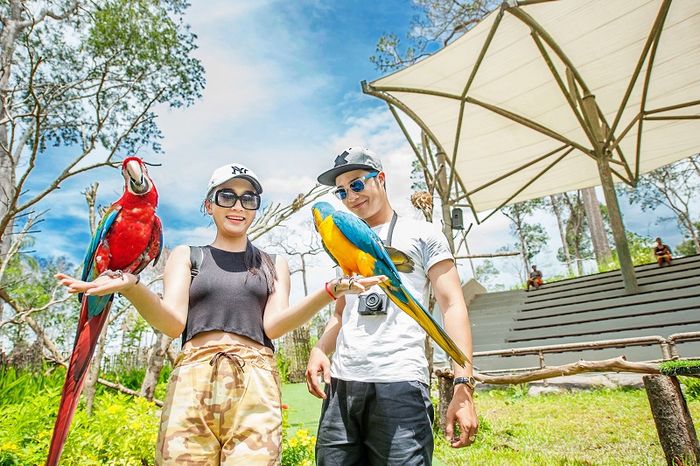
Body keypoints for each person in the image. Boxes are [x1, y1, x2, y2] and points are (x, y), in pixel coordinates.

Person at [56, 162, 385, 465]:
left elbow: (274, 326)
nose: (238, 206)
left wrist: (330, 290)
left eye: (248, 199)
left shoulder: (273, 264)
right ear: (209, 205)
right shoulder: (187, 255)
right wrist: (131, 286)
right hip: (192, 381)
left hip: (255, 385)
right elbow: (172, 324)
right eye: (227, 196)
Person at [305, 147, 478, 465]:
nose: (350, 196)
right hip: (342, 385)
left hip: (399, 381)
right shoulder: (339, 234)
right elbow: (340, 313)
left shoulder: (423, 233)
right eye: (341, 191)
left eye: (357, 184)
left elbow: (453, 304)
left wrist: (463, 384)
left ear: (381, 179)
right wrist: (320, 349)